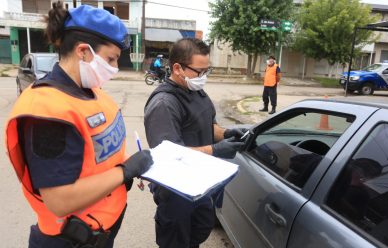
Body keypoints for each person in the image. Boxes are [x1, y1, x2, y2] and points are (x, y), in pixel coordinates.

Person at [5, 2, 153, 248]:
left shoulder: (92, 92)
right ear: (83, 51)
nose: (115, 68)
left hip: (101, 230)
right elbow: (59, 201)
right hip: (70, 240)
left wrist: (131, 163)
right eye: (111, 59)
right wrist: (125, 172)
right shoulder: (48, 111)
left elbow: (100, 153)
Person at [144, 38, 246, 248]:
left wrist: (227, 134)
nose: (203, 77)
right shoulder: (164, 104)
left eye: (207, 70)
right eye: (199, 72)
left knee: (198, 231)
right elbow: (168, 157)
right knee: (176, 242)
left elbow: (209, 127)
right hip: (176, 194)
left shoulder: (197, 92)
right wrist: (215, 150)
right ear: (178, 68)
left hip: (199, 185)